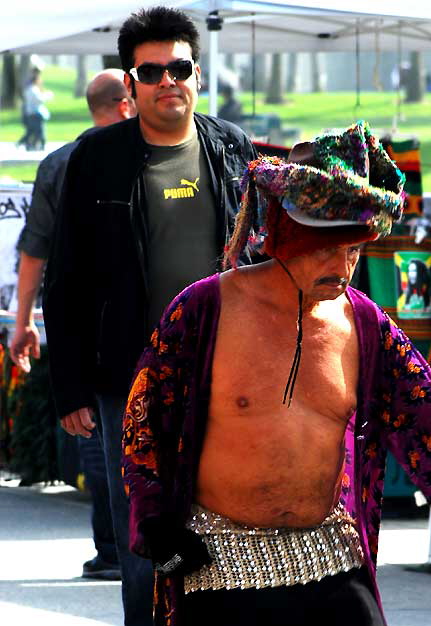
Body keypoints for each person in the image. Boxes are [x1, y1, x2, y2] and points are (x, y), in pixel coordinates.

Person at [121, 121, 431, 626]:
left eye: (355, 250)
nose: (343, 267)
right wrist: (160, 539)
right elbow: (144, 424)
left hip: (332, 561)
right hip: (219, 566)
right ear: (286, 235)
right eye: (328, 248)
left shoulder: (366, 325)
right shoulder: (205, 309)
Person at [43, 7, 256, 626]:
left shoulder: (229, 147)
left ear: (199, 74)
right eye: (152, 70)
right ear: (130, 83)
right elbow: (67, 278)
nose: (169, 80)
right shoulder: (95, 158)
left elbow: (256, 252)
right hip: (127, 378)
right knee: (144, 528)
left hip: (226, 371)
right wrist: (71, 386)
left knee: (224, 522)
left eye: (180, 67)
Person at [11, 68, 136, 581]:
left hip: (77, 324)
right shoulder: (141, 152)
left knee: (97, 439)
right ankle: (143, 554)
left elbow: (33, 250)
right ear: (126, 101)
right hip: (138, 321)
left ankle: (111, 550)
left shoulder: (57, 162)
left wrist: (24, 322)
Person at [17, 68, 53, 151]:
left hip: (31, 113)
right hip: (34, 113)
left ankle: (29, 145)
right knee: (37, 131)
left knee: (31, 131)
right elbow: (39, 99)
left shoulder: (31, 88)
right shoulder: (32, 89)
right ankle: (37, 145)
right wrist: (48, 95)